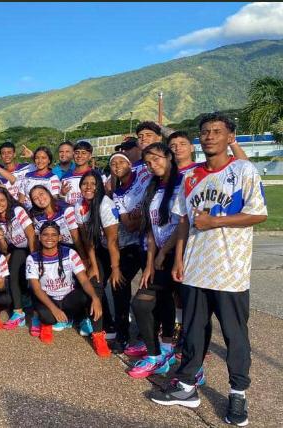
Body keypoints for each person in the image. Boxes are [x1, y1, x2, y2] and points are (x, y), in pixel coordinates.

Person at [150, 114, 267, 427]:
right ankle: (187, 385)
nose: (210, 136)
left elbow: (258, 214)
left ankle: (238, 393)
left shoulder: (243, 170)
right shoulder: (191, 178)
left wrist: (216, 221)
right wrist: (178, 259)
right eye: (205, 132)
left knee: (234, 336)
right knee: (193, 329)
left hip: (230, 272)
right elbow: (184, 221)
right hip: (196, 269)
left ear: (230, 137)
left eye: (217, 131)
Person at [127, 143, 181, 378]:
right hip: (158, 255)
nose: (152, 165)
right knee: (143, 303)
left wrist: (163, 252)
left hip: (178, 254)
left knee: (167, 301)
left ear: (169, 156)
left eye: (157, 159)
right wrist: (150, 262)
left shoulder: (182, 184)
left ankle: (166, 349)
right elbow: (151, 230)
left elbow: (183, 224)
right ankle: (157, 352)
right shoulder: (153, 187)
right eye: (148, 162)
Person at [25, 221, 110, 357]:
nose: (49, 238)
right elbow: (36, 288)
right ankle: (46, 323)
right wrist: (54, 309)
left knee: (90, 297)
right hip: (48, 298)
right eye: (45, 234)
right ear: (39, 237)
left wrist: (95, 298)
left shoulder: (70, 253)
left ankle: (98, 336)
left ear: (60, 237)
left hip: (67, 297)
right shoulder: (32, 258)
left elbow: (83, 280)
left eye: (54, 235)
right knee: (47, 317)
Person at [73, 171, 124, 341]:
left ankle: (121, 327)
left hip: (121, 248)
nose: (88, 187)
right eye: (84, 183)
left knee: (117, 284)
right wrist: (92, 265)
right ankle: (104, 325)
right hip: (99, 247)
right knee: (95, 281)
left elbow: (113, 241)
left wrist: (115, 268)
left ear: (100, 186)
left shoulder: (105, 204)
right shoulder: (79, 204)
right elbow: (87, 239)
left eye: (93, 183)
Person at [107, 152, 147, 352]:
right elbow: (129, 226)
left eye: (121, 161)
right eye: (113, 163)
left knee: (157, 290)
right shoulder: (118, 194)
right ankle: (122, 334)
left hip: (154, 241)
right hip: (133, 243)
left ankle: (152, 333)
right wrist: (141, 215)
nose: (117, 165)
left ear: (130, 164)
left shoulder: (144, 177)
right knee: (119, 283)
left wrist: (141, 213)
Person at [0, 187, 36, 329]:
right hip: (16, 249)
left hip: (31, 247)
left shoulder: (18, 211)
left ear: (8, 200)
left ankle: (20, 311)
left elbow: (31, 235)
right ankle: (20, 309)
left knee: (16, 269)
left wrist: (34, 259)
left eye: (2, 200)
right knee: (12, 270)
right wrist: (0, 238)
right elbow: (5, 249)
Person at [28, 184, 86, 262]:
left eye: (41, 194)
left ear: (48, 193)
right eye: (35, 198)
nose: (40, 199)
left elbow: (77, 239)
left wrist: (84, 259)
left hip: (77, 247)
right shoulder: (37, 218)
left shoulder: (65, 209)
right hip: (57, 249)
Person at [61, 140, 98, 206]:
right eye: (77, 153)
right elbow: (60, 200)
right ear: (73, 155)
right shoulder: (65, 178)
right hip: (70, 214)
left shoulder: (97, 176)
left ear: (90, 156)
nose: (79, 156)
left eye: (84, 153)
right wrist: (62, 194)